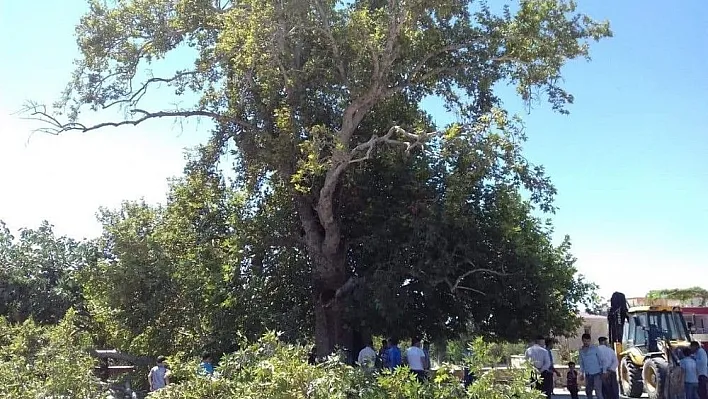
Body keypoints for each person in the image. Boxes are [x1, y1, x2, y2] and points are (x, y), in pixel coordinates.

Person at [578, 333, 605, 399]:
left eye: (587, 341)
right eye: (584, 341)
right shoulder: (581, 351)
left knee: (598, 391)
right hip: (588, 374)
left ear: (590, 341)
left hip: (597, 373)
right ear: (582, 340)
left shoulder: (595, 349)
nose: (586, 343)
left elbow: (600, 359)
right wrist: (581, 373)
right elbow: (581, 363)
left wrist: (603, 371)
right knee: (588, 391)